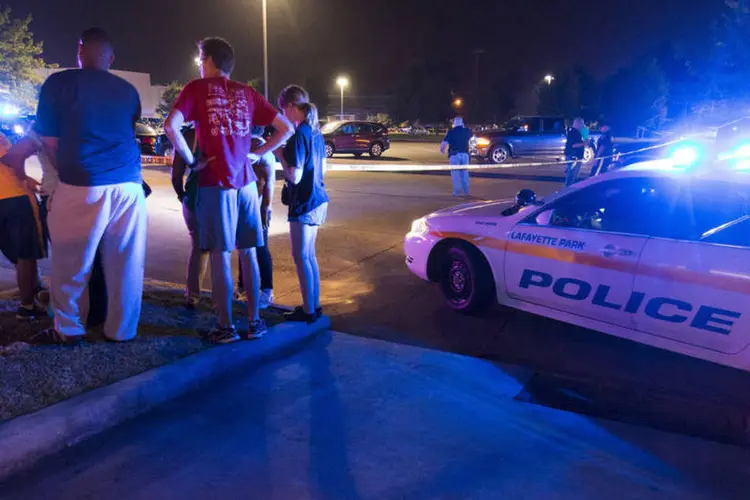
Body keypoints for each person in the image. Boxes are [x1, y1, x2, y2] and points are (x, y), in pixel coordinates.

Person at [165, 37, 293, 344]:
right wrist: (259, 154)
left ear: (208, 60)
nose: (199, 64)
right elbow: (286, 128)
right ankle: (254, 322)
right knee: (248, 253)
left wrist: (191, 161)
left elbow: (172, 126)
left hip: (216, 182)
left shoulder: (195, 88)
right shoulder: (246, 92)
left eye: (200, 58)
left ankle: (225, 327)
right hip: (247, 183)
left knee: (222, 254)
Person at [32, 27, 148, 345]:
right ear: (111, 57)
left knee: (71, 263)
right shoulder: (128, 91)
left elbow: (49, 141)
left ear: (79, 51)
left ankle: (68, 329)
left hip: (84, 183)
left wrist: (67, 173)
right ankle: (121, 331)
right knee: (126, 264)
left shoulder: (60, 82)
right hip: (129, 185)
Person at [277, 85, 329, 323]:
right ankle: (313, 306)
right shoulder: (317, 134)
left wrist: (279, 155)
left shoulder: (300, 135)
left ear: (290, 107)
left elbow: (294, 176)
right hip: (319, 199)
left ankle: (308, 311)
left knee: (300, 256)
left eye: (283, 110)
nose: (282, 116)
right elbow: (324, 169)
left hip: (304, 203)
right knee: (309, 256)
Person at [0, 133, 47, 320]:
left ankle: (32, 289)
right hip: (14, 196)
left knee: (14, 252)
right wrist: (25, 179)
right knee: (25, 254)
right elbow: (11, 158)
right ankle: (27, 306)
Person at [236, 128, 276, 309]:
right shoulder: (245, 144)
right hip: (245, 206)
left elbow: (268, 184)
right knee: (244, 247)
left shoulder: (261, 149)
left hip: (257, 208)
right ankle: (243, 287)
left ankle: (266, 290)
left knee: (260, 248)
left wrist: (265, 210)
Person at [171, 124, 209, 309]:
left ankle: (192, 295)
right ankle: (221, 299)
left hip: (194, 196)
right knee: (218, 249)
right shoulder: (219, 129)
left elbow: (176, 173)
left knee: (199, 247)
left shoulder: (189, 134)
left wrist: (181, 193)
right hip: (218, 195)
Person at [440, 116, 473, 196]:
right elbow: (473, 140)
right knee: (465, 173)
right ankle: (466, 191)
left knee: (455, 174)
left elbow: (443, 144)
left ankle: (457, 192)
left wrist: (443, 150)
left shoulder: (451, 132)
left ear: (454, 123)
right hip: (465, 155)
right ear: (462, 123)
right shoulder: (467, 131)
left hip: (454, 155)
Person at [564, 117, 586, 187]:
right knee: (571, 177)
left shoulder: (576, 132)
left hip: (575, 157)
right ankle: (567, 192)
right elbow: (573, 145)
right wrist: (584, 143)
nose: (583, 125)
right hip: (574, 158)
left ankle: (569, 190)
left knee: (573, 177)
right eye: (582, 124)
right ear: (577, 123)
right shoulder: (573, 133)